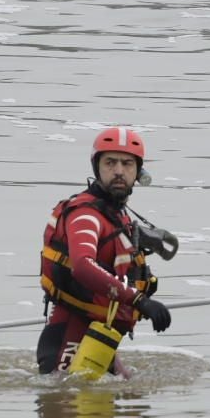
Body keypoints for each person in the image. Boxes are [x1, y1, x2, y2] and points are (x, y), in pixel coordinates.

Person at [37, 126, 173, 375]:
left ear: (138, 172)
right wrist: (138, 300)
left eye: (127, 164)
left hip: (98, 336)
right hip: (69, 338)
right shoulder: (85, 215)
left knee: (130, 397)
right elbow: (82, 265)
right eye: (110, 162)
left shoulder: (117, 214)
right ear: (96, 167)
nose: (119, 171)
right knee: (65, 404)